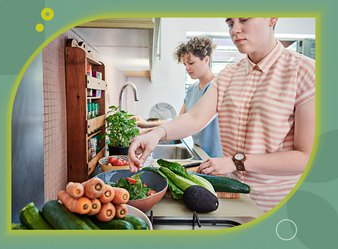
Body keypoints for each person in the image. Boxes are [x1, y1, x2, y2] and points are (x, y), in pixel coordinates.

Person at [128, 18, 315, 212]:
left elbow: (306, 157)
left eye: (244, 19)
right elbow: (194, 118)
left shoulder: (305, 72)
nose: (235, 30)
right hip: (235, 199)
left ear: (272, 17)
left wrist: (236, 162)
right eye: (230, 23)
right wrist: (156, 133)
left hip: (279, 204)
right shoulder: (228, 75)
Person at [134, 36, 223, 157]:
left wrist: (149, 132)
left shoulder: (217, 86)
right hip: (199, 153)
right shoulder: (192, 90)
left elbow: (193, 121)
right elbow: (179, 121)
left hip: (217, 158)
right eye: (185, 64)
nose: (187, 68)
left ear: (206, 60)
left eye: (191, 63)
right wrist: (146, 126)